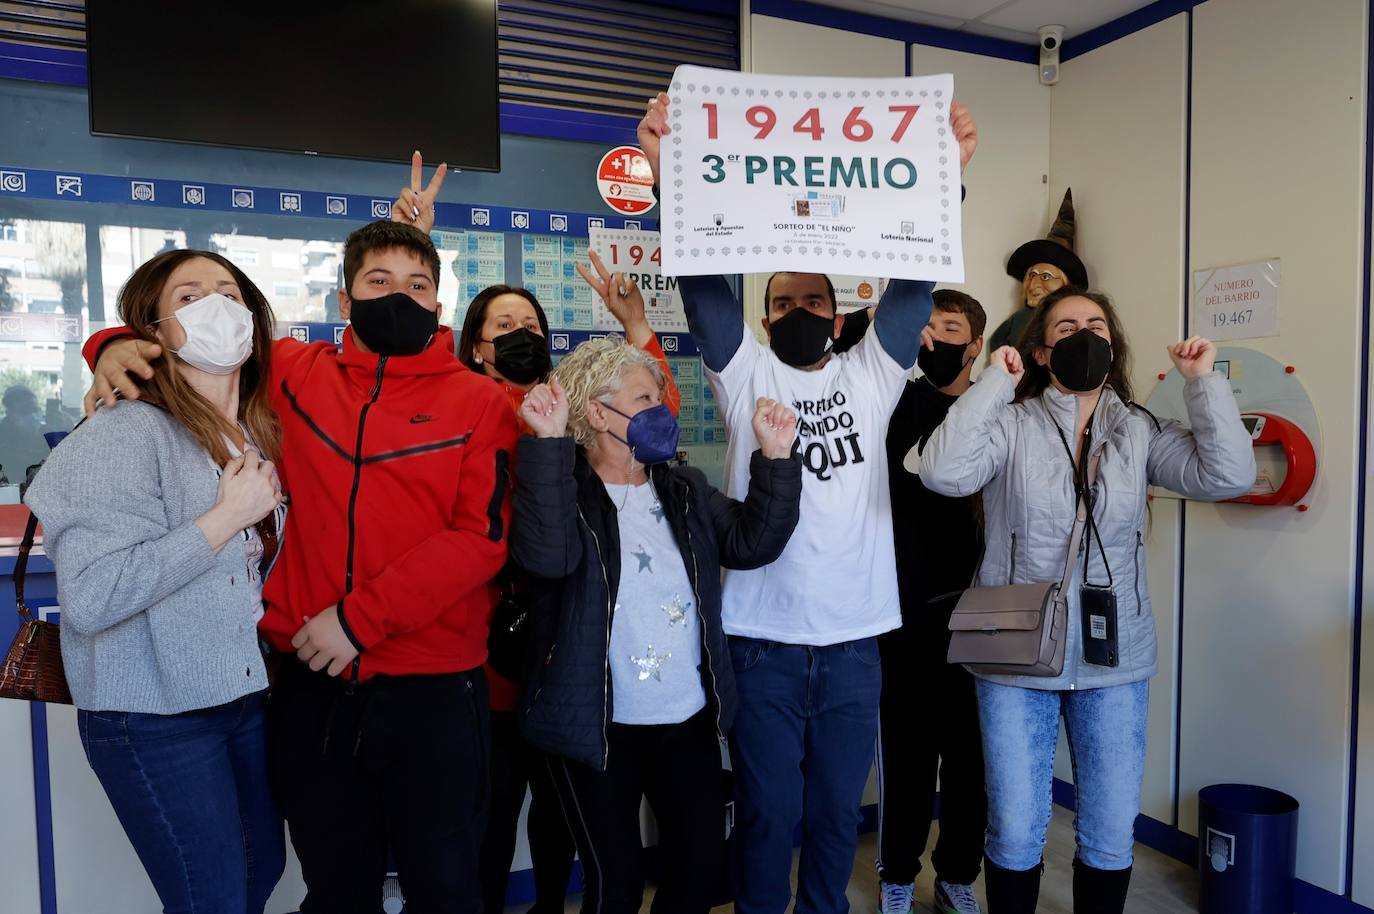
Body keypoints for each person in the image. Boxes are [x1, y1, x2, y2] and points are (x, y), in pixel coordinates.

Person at [82, 221, 518, 914]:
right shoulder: (291, 370)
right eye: (378, 282)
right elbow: (189, 346)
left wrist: (358, 619)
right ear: (344, 300)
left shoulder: (482, 402)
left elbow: (479, 540)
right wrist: (107, 346)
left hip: (434, 692)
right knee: (336, 889)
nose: (398, 297)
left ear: (438, 305)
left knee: (447, 887)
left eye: (417, 286)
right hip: (310, 692)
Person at [637, 92, 978, 914]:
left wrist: (947, 180)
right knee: (767, 817)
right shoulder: (744, 369)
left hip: (857, 645)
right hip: (763, 643)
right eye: (784, 302)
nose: (800, 313)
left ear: (838, 315)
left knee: (832, 822)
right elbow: (701, 281)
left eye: (815, 302)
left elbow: (915, 277)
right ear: (764, 315)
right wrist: (666, 177)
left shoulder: (871, 372)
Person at [394, 175, 683, 913]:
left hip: (565, 653)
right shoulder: (459, 399)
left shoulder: (571, 406)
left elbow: (657, 413)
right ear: (475, 345)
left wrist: (636, 328)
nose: (521, 333)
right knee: (486, 814)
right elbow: (399, 355)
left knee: (561, 820)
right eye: (502, 326)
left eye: (530, 322)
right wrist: (415, 243)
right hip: (485, 652)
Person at [920, 288, 1256, 914]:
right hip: (1015, 655)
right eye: (1066, 325)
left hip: (1115, 656)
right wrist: (994, 382)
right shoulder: (1012, 424)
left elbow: (1228, 475)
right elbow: (943, 472)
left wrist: (1202, 384)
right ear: (1044, 351)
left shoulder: (1138, 429)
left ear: (1111, 344)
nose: (1083, 333)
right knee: (1016, 829)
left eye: (1095, 324)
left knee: (1107, 832)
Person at [26, 249, 288, 914]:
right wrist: (223, 520)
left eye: (229, 292)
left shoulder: (250, 431)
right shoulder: (122, 432)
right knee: (214, 899)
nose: (216, 307)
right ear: (153, 329)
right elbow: (92, 596)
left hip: (241, 701)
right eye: (191, 295)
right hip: (153, 717)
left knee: (260, 873)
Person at [510, 336, 803, 914]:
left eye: (661, 398)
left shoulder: (683, 488)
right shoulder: (560, 489)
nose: (663, 410)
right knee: (614, 886)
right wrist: (545, 446)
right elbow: (546, 558)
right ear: (597, 413)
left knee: (698, 875)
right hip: (597, 724)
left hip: (685, 719)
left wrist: (774, 457)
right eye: (646, 397)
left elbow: (751, 542)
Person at [877, 290, 989, 914]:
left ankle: (957, 877)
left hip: (984, 610)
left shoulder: (998, 407)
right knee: (909, 752)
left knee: (971, 757)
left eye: (949, 329)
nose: (933, 341)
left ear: (976, 345)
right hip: (908, 607)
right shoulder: (897, 401)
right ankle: (897, 875)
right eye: (926, 329)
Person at [987, 189, 1086, 354]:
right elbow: (998, 343)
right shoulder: (1020, 319)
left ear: (1065, 283)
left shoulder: (1072, 321)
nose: (1033, 285)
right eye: (1031, 276)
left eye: (1046, 276)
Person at [0, 384, 52, 485]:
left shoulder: (47, 435)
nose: (32, 416)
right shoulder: (2, 437)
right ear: (9, 413)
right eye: (24, 411)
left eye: (34, 409)